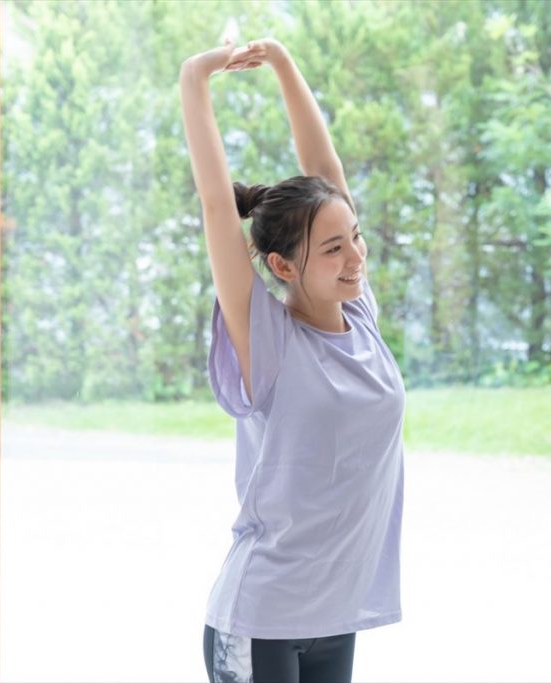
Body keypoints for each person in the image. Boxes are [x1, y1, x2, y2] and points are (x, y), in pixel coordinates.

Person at [179, 36, 406, 683]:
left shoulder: (360, 317)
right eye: (333, 249)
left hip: (336, 618)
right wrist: (195, 79)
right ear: (281, 266)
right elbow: (217, 206)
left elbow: (325, 171)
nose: (355, 257)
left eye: (355, 237)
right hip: (262, 620)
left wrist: (281, 62)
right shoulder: (270, 342)